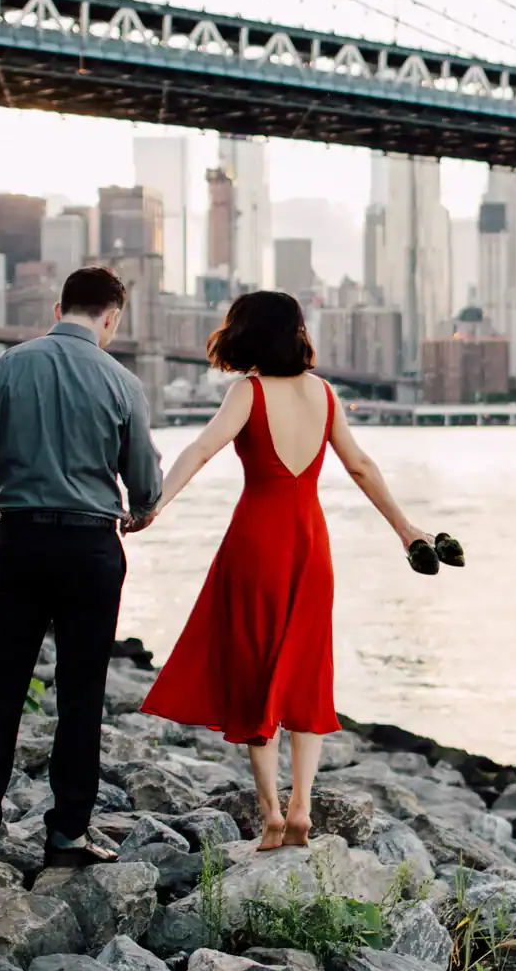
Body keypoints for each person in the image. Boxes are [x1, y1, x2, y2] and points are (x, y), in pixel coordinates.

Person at [138, 290, 436, 849]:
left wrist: (156, 504)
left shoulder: (247, 393)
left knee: (257, 670)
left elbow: (202, 450)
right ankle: (302, 807)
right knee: (305, 669)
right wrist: (405, 529)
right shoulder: (324, 394)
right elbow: (362, 466)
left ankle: (272, 815)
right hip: (309, 543)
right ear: (295, 332)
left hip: (255, 543)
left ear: (246, 334)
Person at [0, 265, 162, 873]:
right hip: (91, 549)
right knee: (81, 691)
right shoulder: (122, 382)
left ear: (59, 305)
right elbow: (143, 477)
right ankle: (67, 832)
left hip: (19, 541)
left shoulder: (7, 368)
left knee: (0, 686)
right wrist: (140, 510)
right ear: (112, 317)